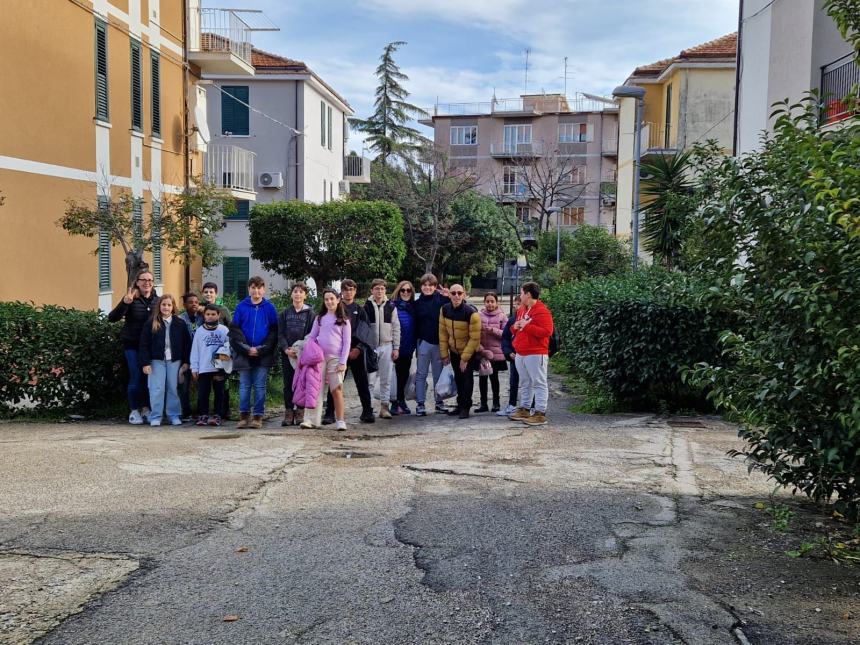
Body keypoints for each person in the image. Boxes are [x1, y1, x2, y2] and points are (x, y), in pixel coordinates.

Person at [108, 270, 158, 425]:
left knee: (148, 379)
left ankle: (146, 409)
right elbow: (112, 318)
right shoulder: (131, 299)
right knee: (135, 377)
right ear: (137, 282)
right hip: (132, 345)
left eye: (150, 280)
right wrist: (125, 303)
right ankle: (134, 410)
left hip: (151, 346)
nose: (147, 283)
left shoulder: (158, 300)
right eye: (143, 280)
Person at [323, 279, 375, 424]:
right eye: (345, 289)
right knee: (335, 384)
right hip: (339, 354)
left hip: (356, 352)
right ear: (341, 292)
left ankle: (367, 411)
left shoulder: (360, 309)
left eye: (351, 289)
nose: (348, 292)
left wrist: (358, 348)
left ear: (355, 291)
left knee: (362, 382)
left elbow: (366, 331)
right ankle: (329, 413)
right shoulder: (335, 309)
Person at [229, 276, 278, 429]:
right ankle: (244, 416)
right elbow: (235, 331)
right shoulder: (241, 307)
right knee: (244, 386)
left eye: (259, 288)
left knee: (259, 386)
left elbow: (274, 331)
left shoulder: (270, 308)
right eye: (253, 287)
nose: (256, 291)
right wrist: (246, 348)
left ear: (263, 290)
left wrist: (261, 349)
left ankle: (258, 416)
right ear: (249, 289)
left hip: (263, 354)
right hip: (245, 354)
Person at [301, 288, 351, 431]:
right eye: (326, 299)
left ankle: (340, 420)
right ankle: (311, 420)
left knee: (336, 389)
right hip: (319, 359)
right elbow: (311, 336)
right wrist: (307, 350)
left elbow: (347, 342)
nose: (329, 302)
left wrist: (343, 362)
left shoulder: (344, 320)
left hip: (336, 359)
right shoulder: (319, 318)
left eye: (332, 299)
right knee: (315, 389)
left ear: (338, 300)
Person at [139, 294, 192, 427]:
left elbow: (187, 344)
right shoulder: (151, 322)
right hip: (156, 361)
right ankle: (156, 416)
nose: (166, 307)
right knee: (157, 389)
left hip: (174, 360)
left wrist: (186, 362)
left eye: (169, 305)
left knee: (172, 388)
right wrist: (145, 363)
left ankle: (173, 415)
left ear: (173, 307)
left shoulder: (180, 323)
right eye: (164, 305)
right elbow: (144, 344)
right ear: (159, 306)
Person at [509, 282, 554, 426]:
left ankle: (540, 413)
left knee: (539, 383)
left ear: (528, 294)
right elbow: (516, 328)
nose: (520, 296)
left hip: (536, 352)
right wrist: (514, 327)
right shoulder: (522, 309)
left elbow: (547, 332)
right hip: (521, 351)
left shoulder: (542, 311)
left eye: (522, 293)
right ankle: (525, 409)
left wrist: (527, 326)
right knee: (525, 382)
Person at [438, 284, 481, 419]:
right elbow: (443, 333)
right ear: (449, 295)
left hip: (468, 351)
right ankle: (459, 405)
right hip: (454, 351)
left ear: (464, 295)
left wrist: (465, 358)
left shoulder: (471, 313)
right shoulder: (444, 310)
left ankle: (466, 407)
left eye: (459, 293)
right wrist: (444, 354)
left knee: (466, 379)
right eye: (453, 293)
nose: (456, 296)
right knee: (458, 379)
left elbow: (475, 338)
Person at [412, 273, 451, 416]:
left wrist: (450, 295)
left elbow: (459, 305)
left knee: (438, 375)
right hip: (423, 342)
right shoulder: (416, 304)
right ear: (421, 286)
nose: (427, 288)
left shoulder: (442, 300)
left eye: (430, 285)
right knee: (421, 374)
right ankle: (420, 404)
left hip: (439, 343)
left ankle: (439, 402)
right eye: (425, 285)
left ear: (435, 287)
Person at [277, 282, 314, 426]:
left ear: (305, 295)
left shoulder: (311, 314)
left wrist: (300, 350)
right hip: (287, 354)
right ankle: (288, 412)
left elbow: (312, 334)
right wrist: (286, 349)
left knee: (302, 383)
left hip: (303, 355)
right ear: (291, 294)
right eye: (295, 291)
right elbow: (280, 334)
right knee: (288, 384)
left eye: (301, 291)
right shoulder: (285, 313)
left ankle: (300, 412)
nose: (298, 294)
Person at [364, 279, 400, 419]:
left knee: (386, 378)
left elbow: (396, 327)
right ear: (372, 290)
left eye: (382, 289)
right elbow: (363, 328)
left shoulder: (391, 306)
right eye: (377, 288)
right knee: (370, 380)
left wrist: (396, 347)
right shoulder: (366, 307)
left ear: (385, 290)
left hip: (387, 345)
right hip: (371, 347)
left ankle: (384, 407)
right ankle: (368, 407)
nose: (379, 291)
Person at [190, 304, 230, 427]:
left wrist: (224, 370)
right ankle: (203, 414)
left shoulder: (224, 330)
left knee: (219, 392)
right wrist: (194, 367)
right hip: (204, 367)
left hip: (219, 368)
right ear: (204, 315)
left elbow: (229, 349)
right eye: (208, 314)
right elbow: (195, 350)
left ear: (218, 315)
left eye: (213, 314)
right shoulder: (199, 331)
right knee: (203, 393)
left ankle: (217, 415)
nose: (210, 317)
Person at [200, 282, 232, 419]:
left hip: (221, 350)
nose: (208, 294)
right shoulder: (199, 308)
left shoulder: (223, 309)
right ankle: (204, 412)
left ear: (216, 294)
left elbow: (231, 327)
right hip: (205, 350)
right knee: (205, 387)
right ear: (202, 293)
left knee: (222, 382)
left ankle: (224, 410)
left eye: (211, 292)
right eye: (206, 292)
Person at [476, 292, 508, 413]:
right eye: (487, 301)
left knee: (494, 378)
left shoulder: (502, 316)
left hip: (496, 353)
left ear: (496, 303)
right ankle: (483, 403)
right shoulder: (478, 315)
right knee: (482, 378)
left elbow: (505, 334)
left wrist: (493, 330)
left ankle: (496, 403)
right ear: (484, 302)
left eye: (492, 301)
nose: (490, 304)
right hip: (482, 352)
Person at [390, 280, 417, 415]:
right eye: (403, 290)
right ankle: (394, 402)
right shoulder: (392, 305)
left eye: (408, 290)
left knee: (404, 375)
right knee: (394, 375)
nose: (405, 292)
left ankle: (401, 400)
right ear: (398, 291)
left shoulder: (414, 307)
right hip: (395, 346)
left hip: (409, 346)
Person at [178, 292, 204, 420]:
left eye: (196, 302)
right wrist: (184, 360)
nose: (194, 304)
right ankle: (185, 411)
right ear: (184, 305)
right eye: (190, 302)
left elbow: (216, 313)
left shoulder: (202, 317)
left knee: (201, 386)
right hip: (185, 357)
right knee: (184, 386)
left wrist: (204, 310)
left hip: (201, 358)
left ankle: (201, 412)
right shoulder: (180, 319)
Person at [498, 295, 522, 417]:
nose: (517, 306)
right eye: (516, 304)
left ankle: (531, 407)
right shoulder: (512, 320)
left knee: (529, 383)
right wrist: (508, 352)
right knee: (513, 382)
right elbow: (505, 338)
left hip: (528, 357)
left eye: (520, 304)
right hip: (514, 357)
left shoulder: (532, 318)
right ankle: (512, 405)